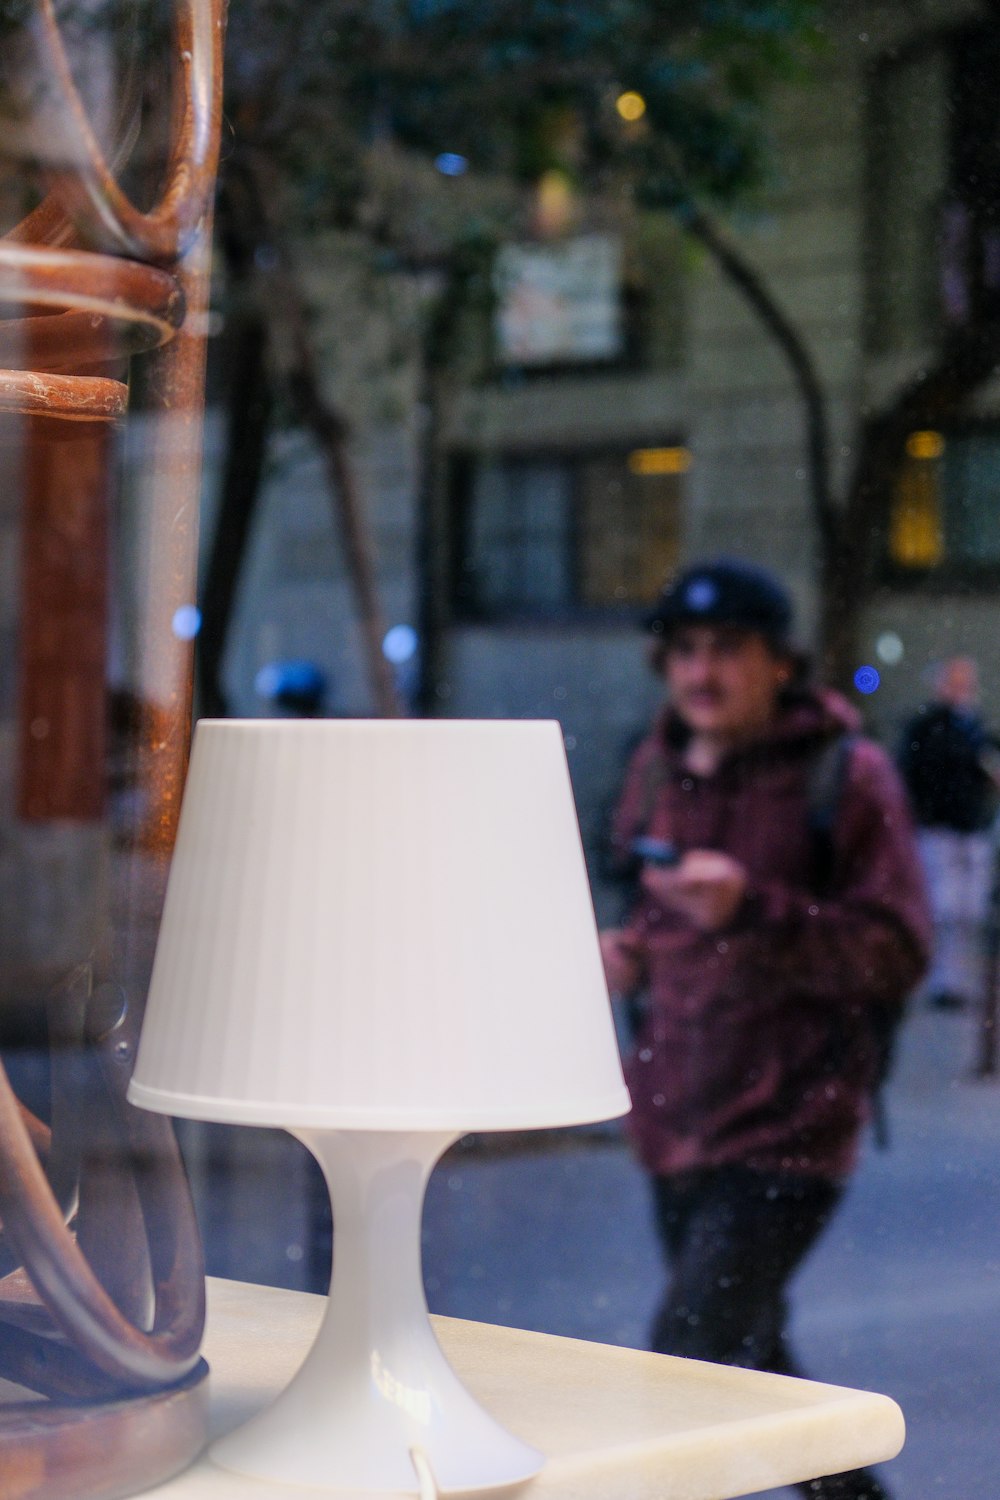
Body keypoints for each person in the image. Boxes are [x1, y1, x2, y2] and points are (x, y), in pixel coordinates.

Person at [600, 558, 930, 1500]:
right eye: (686, 651)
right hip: (676, 1121)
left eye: (728, 651)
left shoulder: (847, 776)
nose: (702, 674)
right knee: (750, 1370)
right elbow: (661, 914)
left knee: (684, 1363)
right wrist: (630, 954)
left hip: (791, 1129)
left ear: (780, 662)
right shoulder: (656, 762)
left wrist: (755, 909)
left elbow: (897, 950)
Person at [897, 656, 1000, 1011]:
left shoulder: (975, 728)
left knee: (969, 911)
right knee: (943, 908)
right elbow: (912, 774)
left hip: (971, 827)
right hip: (938, 828)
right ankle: (941, 981)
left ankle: (957, 981)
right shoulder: (927, 728)